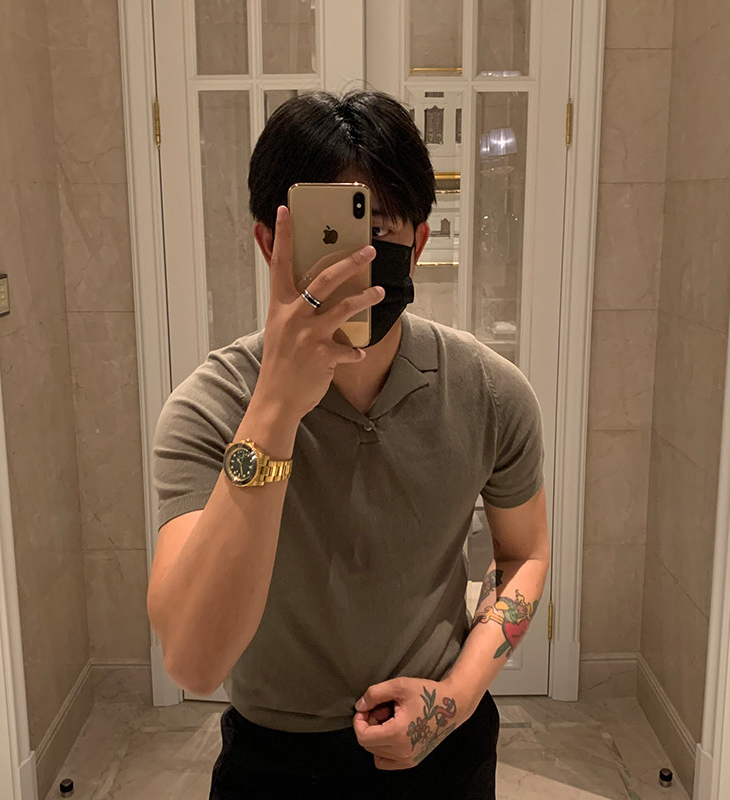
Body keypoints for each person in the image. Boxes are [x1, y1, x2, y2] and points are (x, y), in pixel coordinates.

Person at [147, 90, 550, 800]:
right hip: (274, 761)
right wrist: (274, 408)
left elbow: (525, 556)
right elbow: (193, 660)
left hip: (444, 744)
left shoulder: (489, 392)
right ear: (269, 243)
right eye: (327, 234)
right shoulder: (210, 409)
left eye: (379, 230)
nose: (355, 259)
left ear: (418, 244)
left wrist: (454, 699)